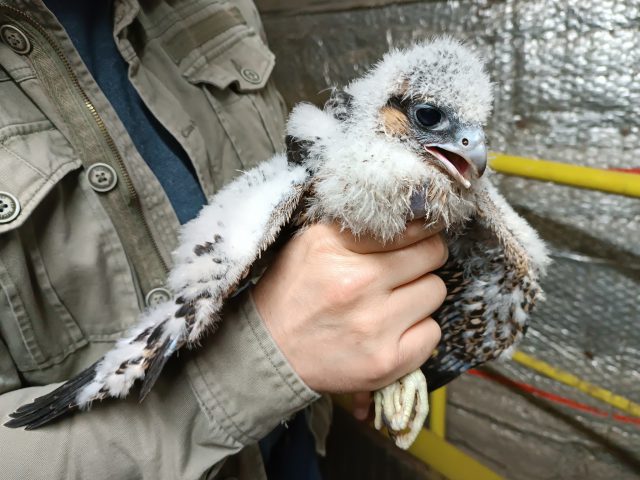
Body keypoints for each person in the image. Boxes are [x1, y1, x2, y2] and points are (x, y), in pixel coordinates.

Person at [0, 1, 446, 478]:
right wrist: (263, 363)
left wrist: (354, 328)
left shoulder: (221, 6)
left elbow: (301, 203)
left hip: (300, 454)